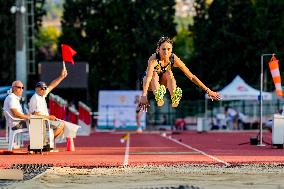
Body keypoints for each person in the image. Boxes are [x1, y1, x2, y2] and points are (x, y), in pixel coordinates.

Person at [139, 36, 221, 111]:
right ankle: (159, 96)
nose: (166, 52)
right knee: (154, 74)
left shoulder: (173, 58)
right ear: (158, 49)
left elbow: (191, 76)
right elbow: (148, 77)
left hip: (163, 83)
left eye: (168, 49)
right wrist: (144, 95)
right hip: (149, 83)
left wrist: (208, 90)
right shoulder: (153, 59)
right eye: (163, 49)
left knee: (169, 72)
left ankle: (174, 96)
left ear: (171, 49)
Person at [28, 67, 68, 140]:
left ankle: (48, 142)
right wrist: (49, 117)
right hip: (39, 122)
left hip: (44, 120)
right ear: (37, 89)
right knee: (61, 125)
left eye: (45, 88)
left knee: (63, 127)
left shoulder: (41, 95)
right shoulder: (35, 98)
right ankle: (48, 141)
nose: (44, 90)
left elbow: (52, 85)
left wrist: (61, 77)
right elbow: (35, 115)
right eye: (42, 88)